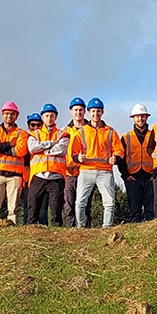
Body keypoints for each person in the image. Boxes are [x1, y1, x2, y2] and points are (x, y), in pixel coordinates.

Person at [71, 97, 123, 228]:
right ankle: (80, 227)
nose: (96, 114)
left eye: (98, 111)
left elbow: (119, 150)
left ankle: (107, 228)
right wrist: (78, 158)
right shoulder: (81, 132)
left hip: (105, 171)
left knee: (109, 202)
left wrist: (115, 158)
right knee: (80, 202)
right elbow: (73, 153)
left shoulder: (111, 132)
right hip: (86, 170)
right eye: (93, 111)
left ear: (102, 112)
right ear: (89, 112)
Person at [0, 101, 28, 225]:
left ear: (17, 116)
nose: (9, 116)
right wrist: (9, 144)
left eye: (12, 114)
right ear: (2, 115)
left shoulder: (22, 133)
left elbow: (21, 151)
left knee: (13, 209)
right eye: (7, 113)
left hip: (14, 175)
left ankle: (12, 235)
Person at [27, 104, 70, 226]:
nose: (49, 118)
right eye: (46, 116)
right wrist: (50, 143)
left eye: (52, 115)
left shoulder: (63, 134)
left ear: (56, 117)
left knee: (56, 211)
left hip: (56, 177)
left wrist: (43, 148)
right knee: (33, 209)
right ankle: (29, 235)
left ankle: (57, 237)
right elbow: (32, 148)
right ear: (42, 117)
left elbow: (61, 150)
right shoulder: (34, 134)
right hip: (38, 176)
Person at [118, 103, 154, 223]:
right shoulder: (126, 137)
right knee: (135, 212)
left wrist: (156, 175)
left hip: (150, 178)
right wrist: (126, 176)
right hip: (133, 178)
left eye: (142, 116)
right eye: (137, 116)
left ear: (147, 117)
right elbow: (120, 159)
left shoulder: (153, 136)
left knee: (151, 212)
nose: (140, 119)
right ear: (133, 118)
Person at [61, 97, 94, 227]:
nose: (78, 113)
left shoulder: (90, 129)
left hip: (86, 172)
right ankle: (70, 231)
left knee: (85, 204)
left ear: (85, 111)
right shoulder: (64, 130)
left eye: (80, 110)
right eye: (75, 110)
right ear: (70, 111)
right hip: (68, 172)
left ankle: (86, 231)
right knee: (68, 204)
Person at [21, 113, 49, 225]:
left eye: (38, 125)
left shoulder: (45, 138)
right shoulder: (25, 139)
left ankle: (44, 233)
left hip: (42, 178)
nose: (35, 127)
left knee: (43, 211)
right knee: (28, 209)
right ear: (28, 126)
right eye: (33, 125)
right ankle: (26, 233)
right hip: (27, 180)